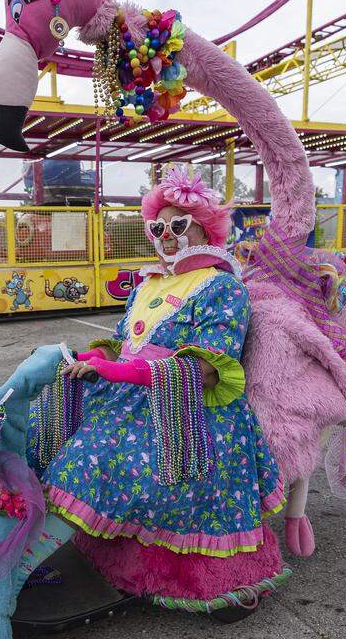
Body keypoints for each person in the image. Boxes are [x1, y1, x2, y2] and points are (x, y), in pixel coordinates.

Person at [27, 169, 286, 609]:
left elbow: (204, 369)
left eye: (178, 225)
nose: (166, 235)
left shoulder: (224, 288)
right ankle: (41, 555)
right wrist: (97, 360)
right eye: (157, 227)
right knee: (41, 425)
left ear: (206, 228)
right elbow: (126, 342)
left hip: (187, 414)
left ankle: (21, 569)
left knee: (94, 462)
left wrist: (119, 373)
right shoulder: (149, 283)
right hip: (128, 399)